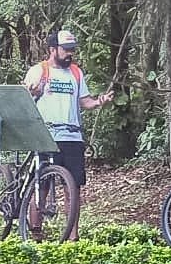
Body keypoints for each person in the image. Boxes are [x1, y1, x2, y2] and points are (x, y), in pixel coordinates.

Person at [22, 30, 113, 211]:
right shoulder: (39, 71)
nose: (70, 53)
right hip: (45, 137)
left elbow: (84, 101)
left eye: (72, 49)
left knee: (73, 188)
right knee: (41, 186)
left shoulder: (76, 73)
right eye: (66, 49)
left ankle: (73, 237)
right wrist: (32, 93)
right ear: (52, 50)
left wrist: (98, 102)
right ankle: (35, 232)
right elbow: (24, 99)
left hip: (72, 137)